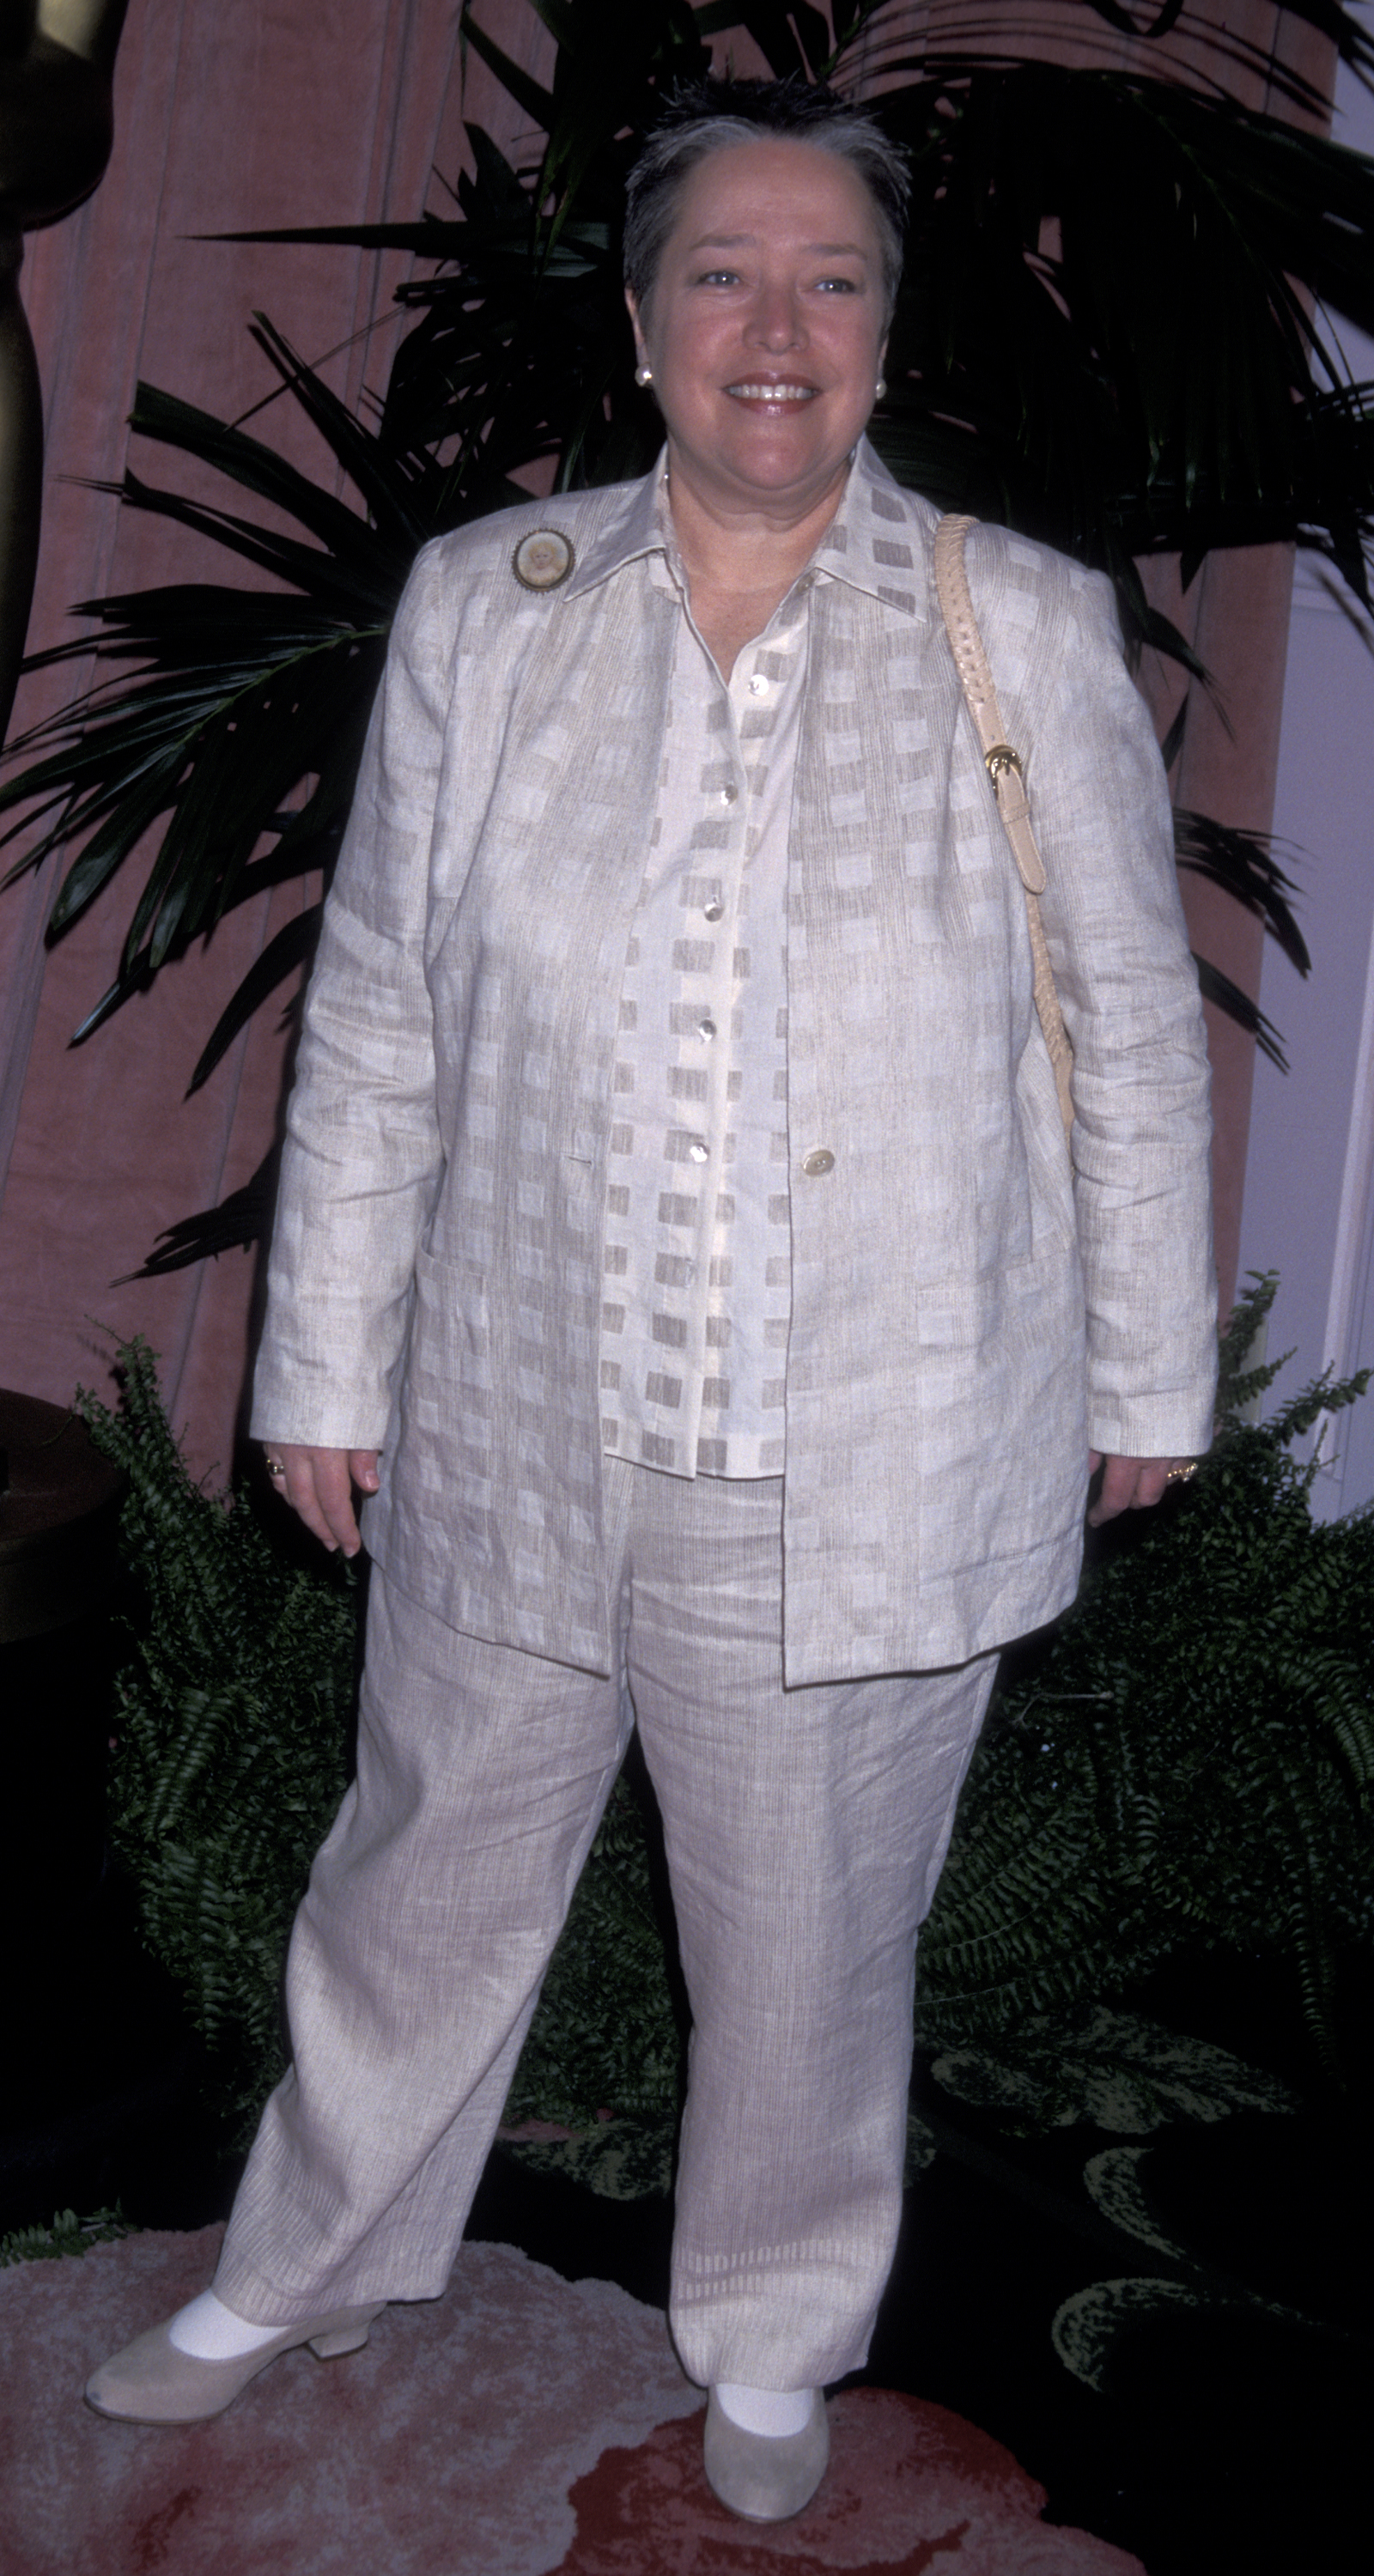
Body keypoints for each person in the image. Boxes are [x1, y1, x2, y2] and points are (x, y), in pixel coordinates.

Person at [87, 76, 1215, 2524]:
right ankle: (304, 2259)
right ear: (640, 329)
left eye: (830, 277)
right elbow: (377, 1000)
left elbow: (1122, 1031)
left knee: (809, 1936)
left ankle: (779, 2336)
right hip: (514, 1395)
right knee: (419, 1874)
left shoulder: (1012, 627)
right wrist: (326, 1355)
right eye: (722, 272)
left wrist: (1141, 1374)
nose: (774, 324)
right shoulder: (492, 621)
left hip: (869, 1427)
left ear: (888, 337)